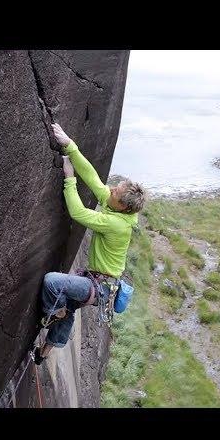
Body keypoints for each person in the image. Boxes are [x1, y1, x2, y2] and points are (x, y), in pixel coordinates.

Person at [33, 123, 147, 365]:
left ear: (123, 206)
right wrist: (69, 145)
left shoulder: (117, 223)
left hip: (100, 286)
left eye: (115, 192)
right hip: (98, 282)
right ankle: (44, 352)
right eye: (116, 187)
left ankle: (56, 313)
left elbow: (78, 213)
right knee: (70, 308)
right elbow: (94, 178)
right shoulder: (118, 207)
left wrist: (69, 179)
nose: (111, 190)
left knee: (53, 282)